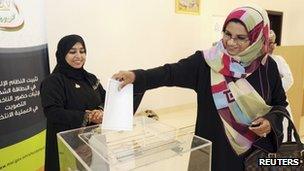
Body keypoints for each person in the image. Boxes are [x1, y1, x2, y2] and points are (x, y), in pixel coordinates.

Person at [112, 5, 288, 171]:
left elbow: (280, 103)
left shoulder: (268, 67)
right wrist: (136, 76)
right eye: (227, 34)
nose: (231, 42)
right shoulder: (207, 62)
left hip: (252, 155)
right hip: (213, 152)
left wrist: (270, 122)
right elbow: (169, 73)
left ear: (257, 37)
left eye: (241, 37)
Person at [40, 34, 106, 171]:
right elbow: (52, 112)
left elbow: (105, 99)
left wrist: (99, 111)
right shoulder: (53, 82)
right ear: (62, 54)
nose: (78, 56)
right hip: (64, 143)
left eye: (82, 51)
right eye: (72, 52)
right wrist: (85, 116)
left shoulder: (90, 79)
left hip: (92, 141)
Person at [269, 30, 294, 141]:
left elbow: (289, 79)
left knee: (283, 132)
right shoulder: (255, 61)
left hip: (278, 101)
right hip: (262, 104)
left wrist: (274, 91)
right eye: (268, 43)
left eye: (272, 43)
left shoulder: (279, 60)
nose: (271, 46)